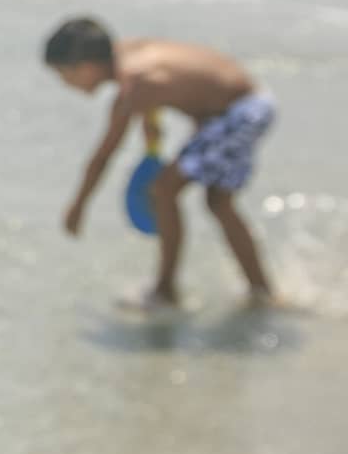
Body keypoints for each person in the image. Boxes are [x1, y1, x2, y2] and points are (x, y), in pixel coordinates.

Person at [44, 17, 278, 310]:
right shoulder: (128, 53)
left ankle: (166, 291)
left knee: (164, 191)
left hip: (239, 113)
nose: (66, 84)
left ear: (86, 67)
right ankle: (262, 292)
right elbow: (169, 83)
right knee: (218, 202)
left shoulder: (134, 87)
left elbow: (105, 154)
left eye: (64, 75)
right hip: (240, 104)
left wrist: (79, 205)